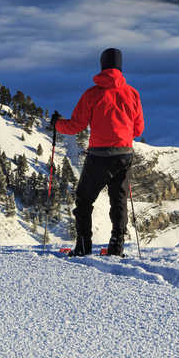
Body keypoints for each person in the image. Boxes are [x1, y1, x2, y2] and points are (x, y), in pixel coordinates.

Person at [51, 48, 143, 257]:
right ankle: (116, 248)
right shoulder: (132, 94)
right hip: (124, 154)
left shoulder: (92, 94)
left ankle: (83, 247)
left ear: (102, 66)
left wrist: (57, 124)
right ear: (120, 67)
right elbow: (138, 130)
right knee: (118, 202)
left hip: (99, 155)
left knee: (84, 200)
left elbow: (76, 125)